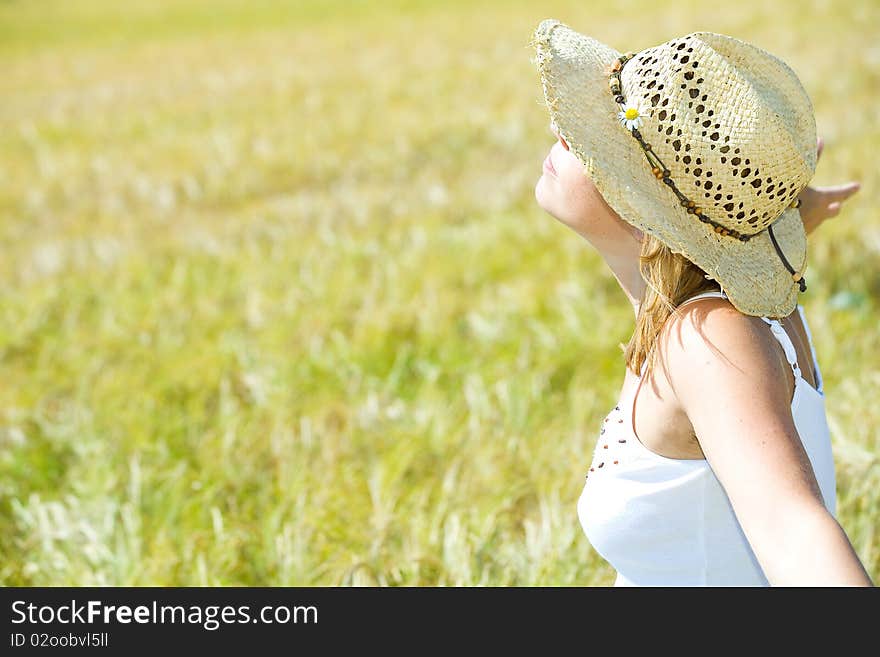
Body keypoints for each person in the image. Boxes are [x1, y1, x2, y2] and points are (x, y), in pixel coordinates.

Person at [531, 19, 873, 586]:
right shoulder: (722, 304)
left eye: (595, 145)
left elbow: (795, 530)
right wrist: (791, 206)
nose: (558, 132)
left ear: (651, 213)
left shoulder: (712, 338)